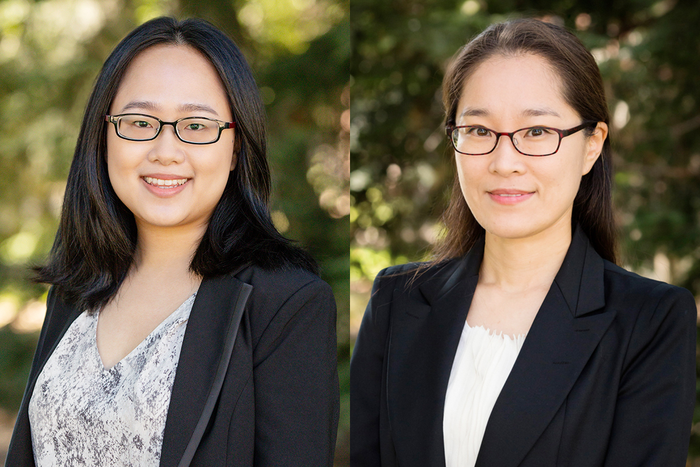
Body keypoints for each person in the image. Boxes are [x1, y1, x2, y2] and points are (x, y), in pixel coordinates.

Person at [350, 18, 696, 467]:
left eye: (537, 132)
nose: (504, 161)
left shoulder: (650, 321)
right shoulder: (397, 300)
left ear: (592, 144)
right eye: (479, 131)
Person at [7, 17, 339, 466]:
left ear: (237, 145)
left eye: (197, 126)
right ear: (103, 135)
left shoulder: (286, 305)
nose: (165, 149)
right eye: (140, 122)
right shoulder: (77, 287)